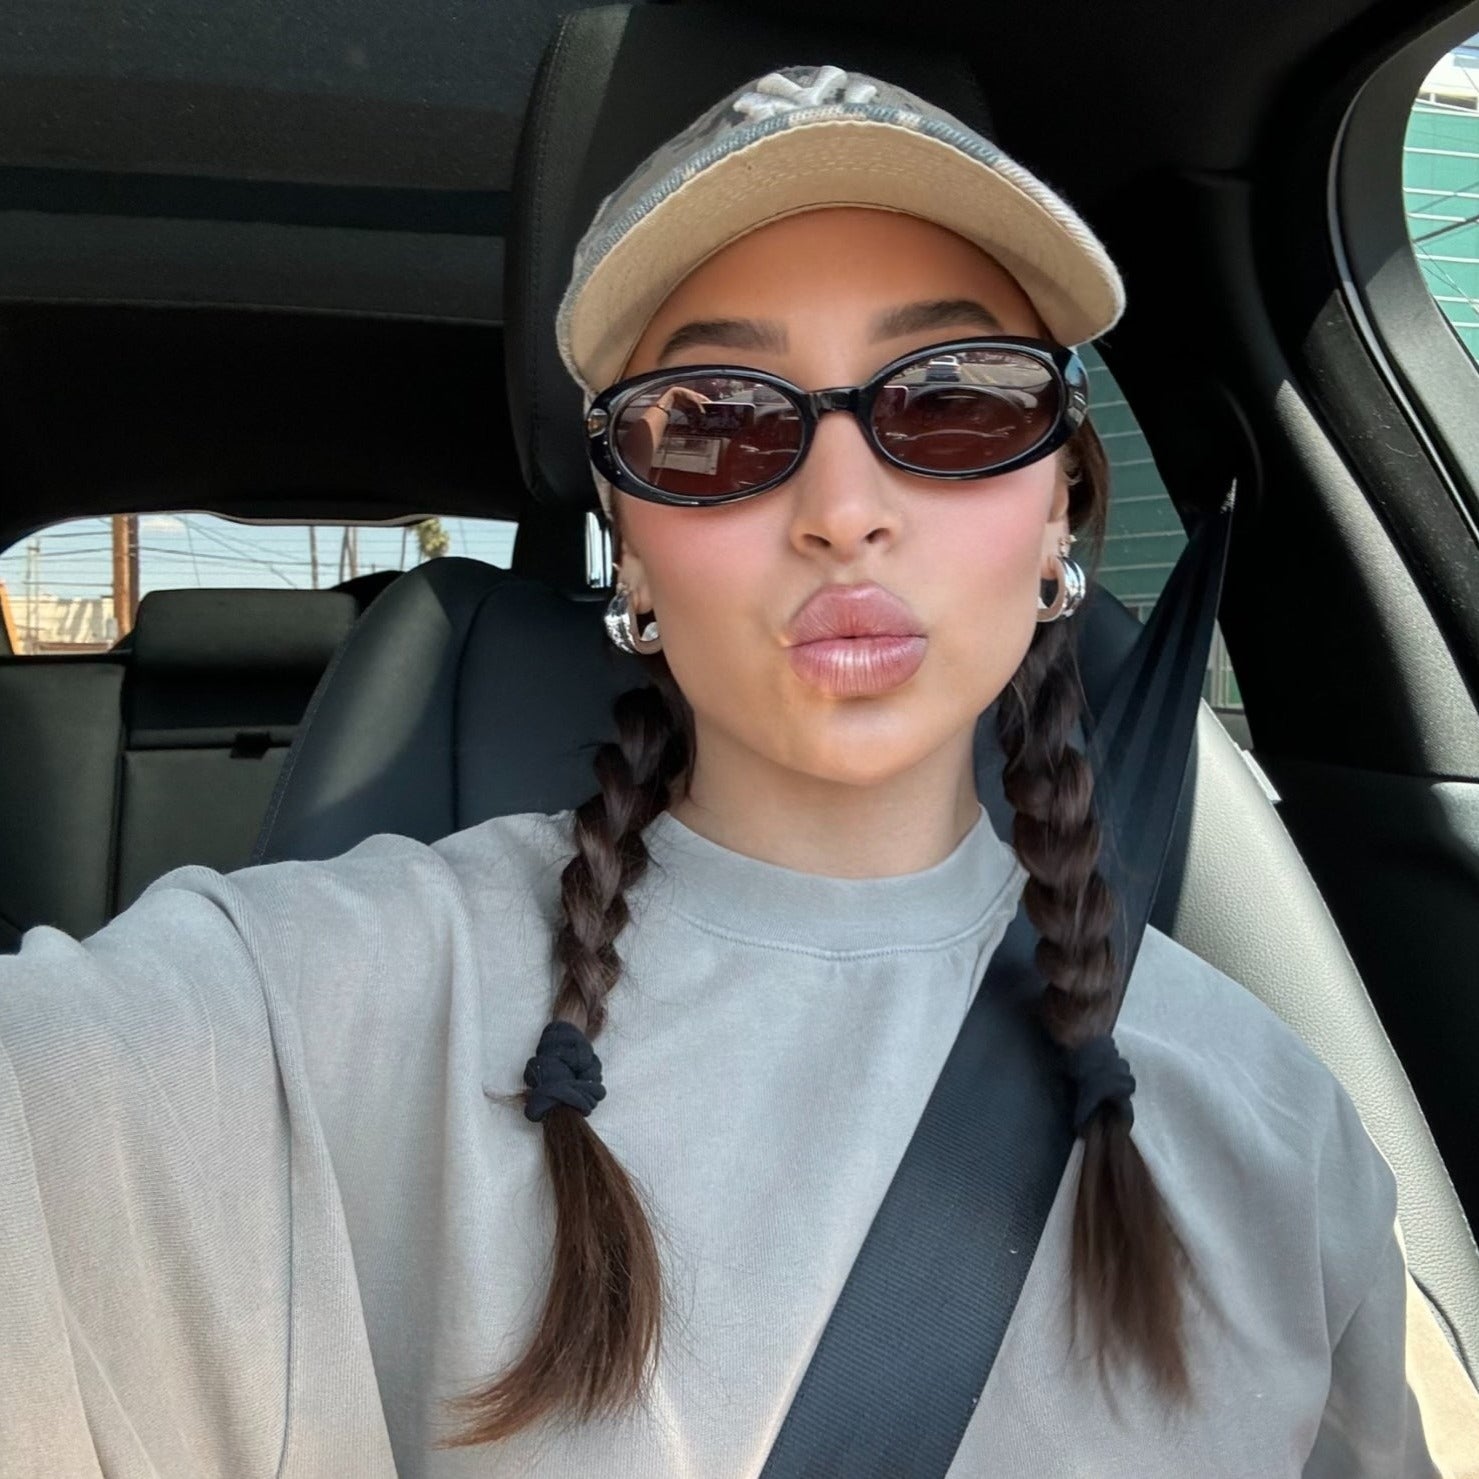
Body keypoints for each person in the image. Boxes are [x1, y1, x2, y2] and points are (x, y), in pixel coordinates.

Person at [0, 62, 1473, 1479]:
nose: (843, 507)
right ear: (631, 545)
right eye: (712, 422)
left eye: (955, 399)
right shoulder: (318, 1009)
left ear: (1057, 512)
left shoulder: (1272, 1124)